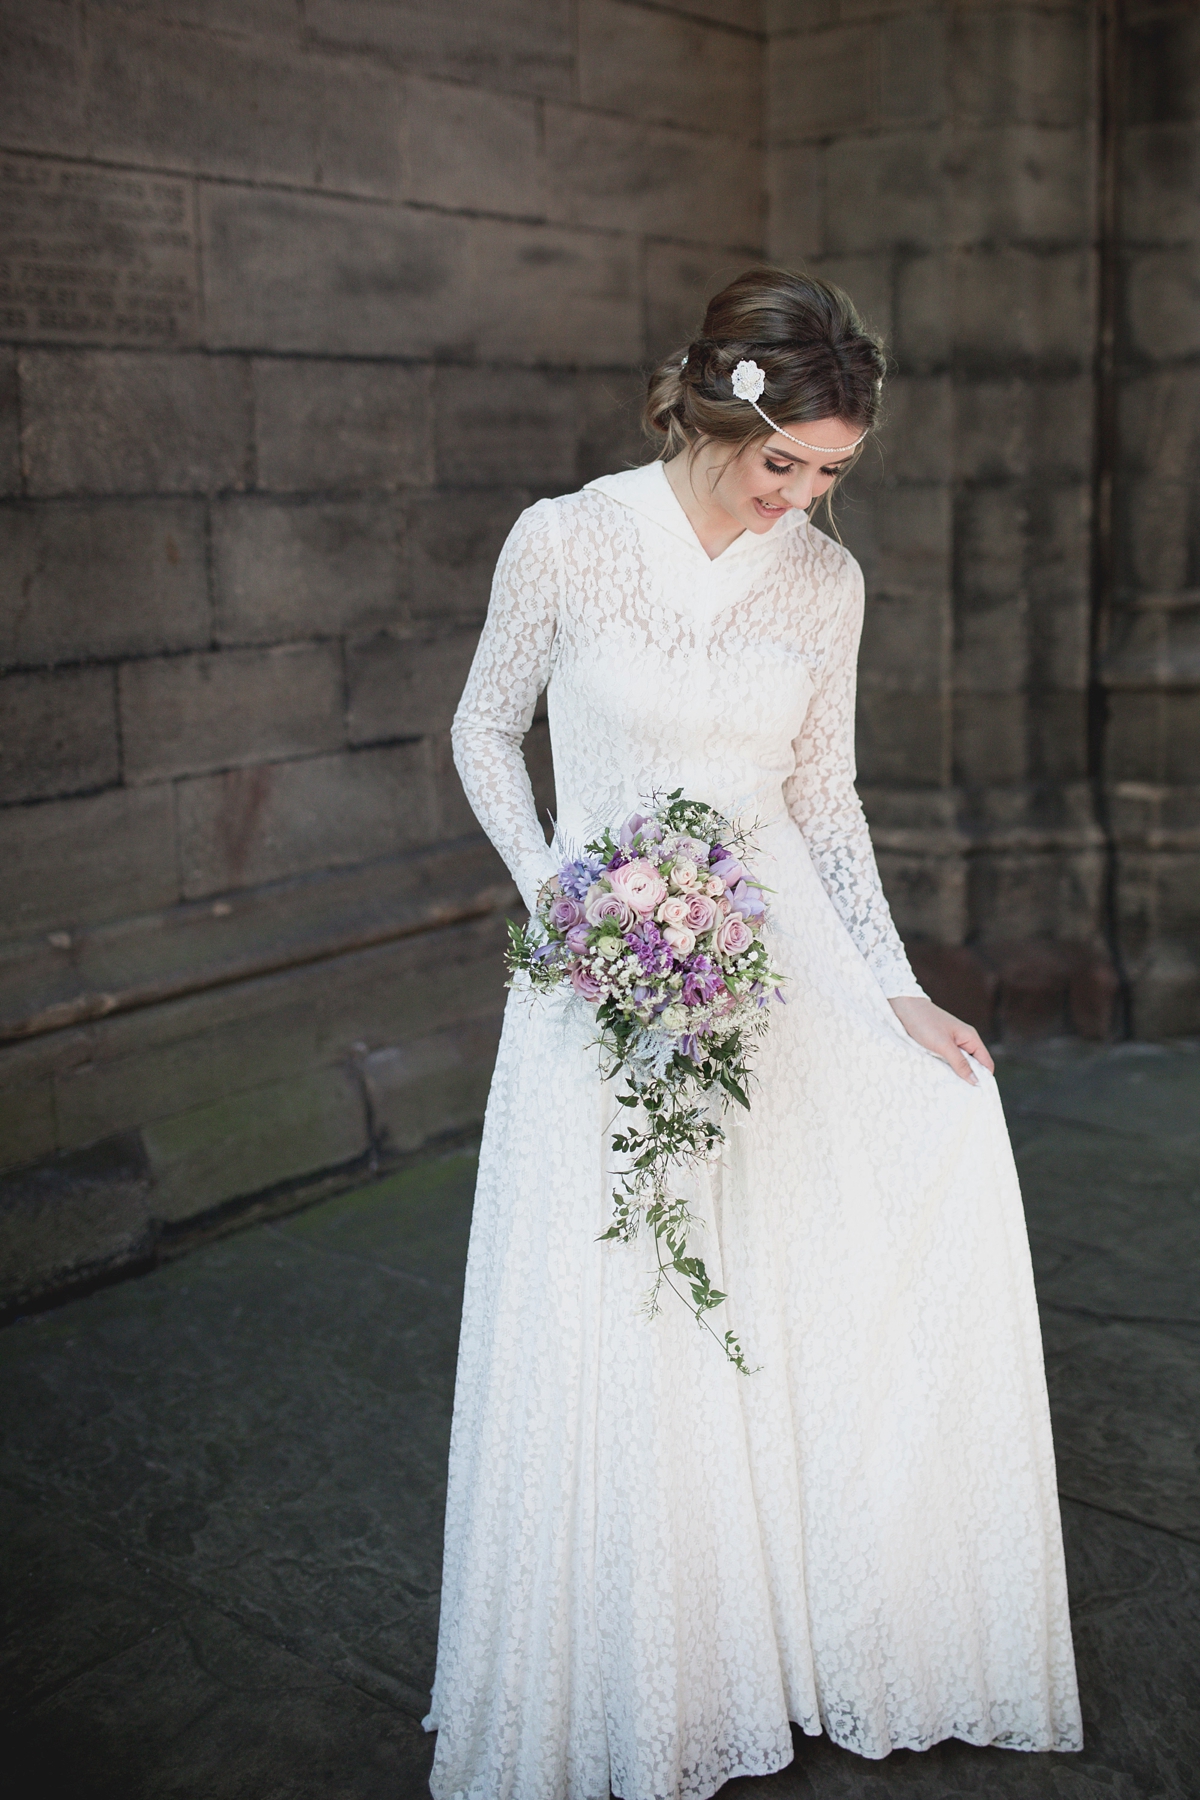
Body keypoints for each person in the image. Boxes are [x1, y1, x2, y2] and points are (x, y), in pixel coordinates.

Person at [424, 267, 1082, 1799]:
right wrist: (562, 899)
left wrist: (901, 986)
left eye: (832, 474)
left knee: (859, 1204)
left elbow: (822, 798)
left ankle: (819, 1627)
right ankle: (664, 1665)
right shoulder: (566, 539)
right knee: (632, 1297)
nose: (800, 497)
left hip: (775, 948)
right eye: (780, 461)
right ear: (715, 411)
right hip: (603, 962)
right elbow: (479, 728)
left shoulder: (824, 583)